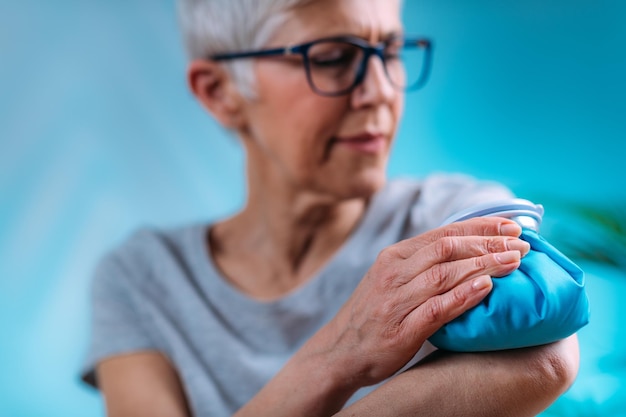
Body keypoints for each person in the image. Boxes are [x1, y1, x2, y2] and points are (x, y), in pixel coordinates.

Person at [82, 0, 580, 416]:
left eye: (389, 50)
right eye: (332, 57)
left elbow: (550, 354)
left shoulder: (449, 215)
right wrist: (339, 353)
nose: (381, 91)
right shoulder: (142, 278)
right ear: (220, 92)